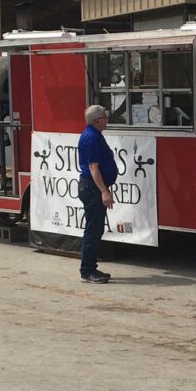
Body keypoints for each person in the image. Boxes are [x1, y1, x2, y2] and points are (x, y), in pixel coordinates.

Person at [76, 103, 117, 285]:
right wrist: (104, 192)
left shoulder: (94, 135)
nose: (107, 120)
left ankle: (91, 267)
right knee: (93, 231)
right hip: (92, 188)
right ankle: (87, 271)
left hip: (92, 188)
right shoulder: (91, 137)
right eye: (105, 118)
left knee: (96, 229)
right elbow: (93, 168)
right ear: (97, 120)